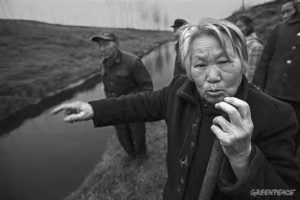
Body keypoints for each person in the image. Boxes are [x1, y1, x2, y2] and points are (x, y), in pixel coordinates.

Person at [53, 19, 300, 200]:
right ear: (189, 69)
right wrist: (93, 108)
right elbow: (140, 103)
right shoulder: (179, 90)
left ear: (244, 63)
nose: (212, 76)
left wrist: (243, 157)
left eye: (224, 61)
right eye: (200, 64)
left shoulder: (276, 115)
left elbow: (284, 193)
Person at [89, 32, 153, 158]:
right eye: (100, 45)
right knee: (122, 136)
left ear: (117, 44)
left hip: (133, 109)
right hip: (115, 110)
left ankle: (142, 156)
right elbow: (107, 86)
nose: (102, 49)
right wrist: (108, 104)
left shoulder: (133, 62)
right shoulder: (102, 64)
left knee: (138, 135)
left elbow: (147, 87)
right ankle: (131, 155)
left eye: (106, 44)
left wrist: (139, 107)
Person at [253, 0, 300, 147]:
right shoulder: (281, 28)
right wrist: (257, 85)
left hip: (297, 96)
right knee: (272, 132)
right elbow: (265, 58)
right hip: (275, 92)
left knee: (294, 137)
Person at [235, 15, 264, 83]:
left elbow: (251, 72)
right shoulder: (238, 44)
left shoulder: (256, 46)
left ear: (249, 26)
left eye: (240, 26)